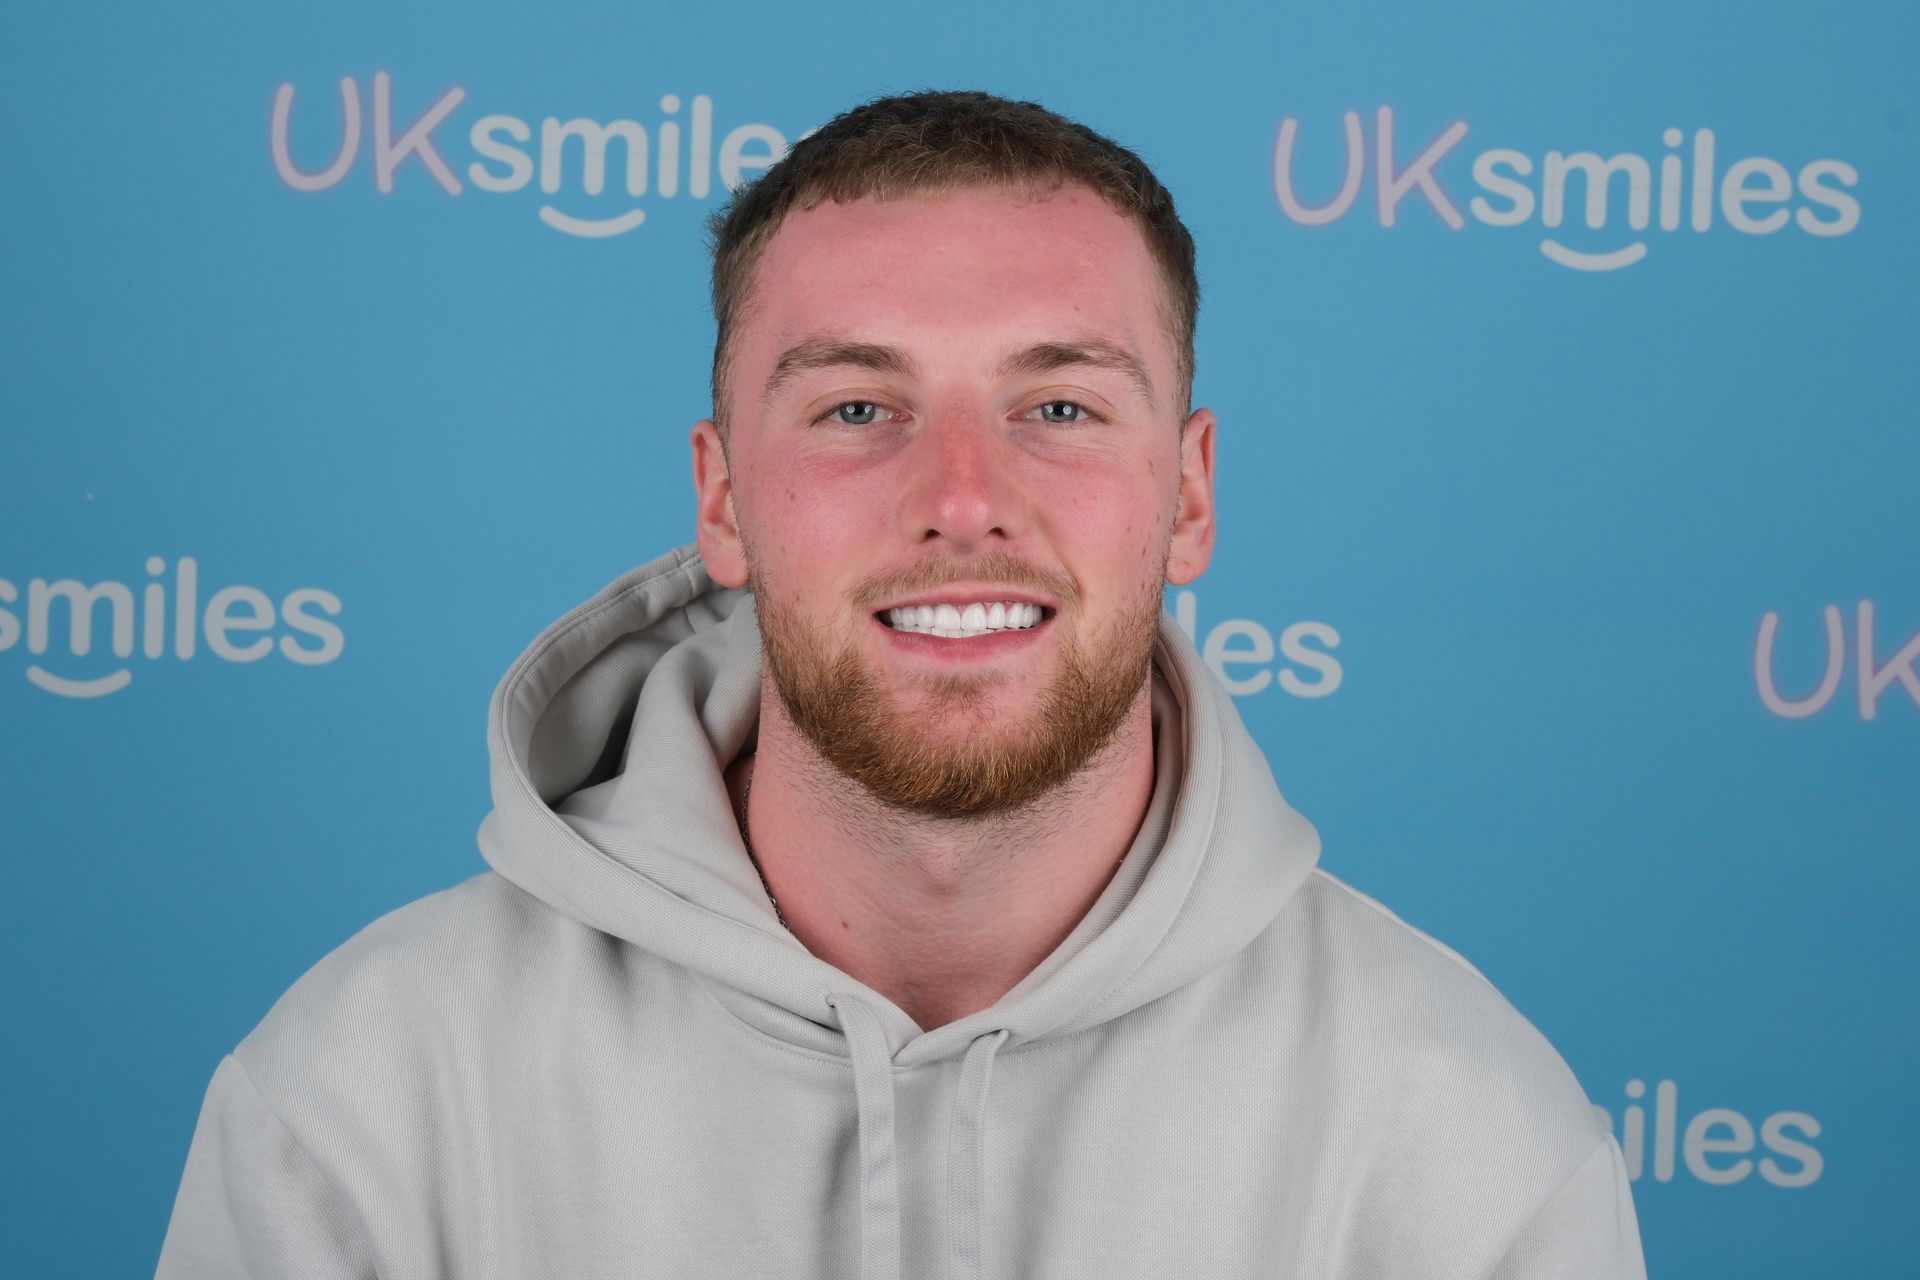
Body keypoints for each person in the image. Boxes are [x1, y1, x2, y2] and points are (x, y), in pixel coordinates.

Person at [157, 90, 1646, 1279]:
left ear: (1187, 496)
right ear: (724, 500)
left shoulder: (1464, 1139)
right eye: (859, 406)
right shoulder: (366, 1095)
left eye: (1057, 404)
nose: (961, 497)